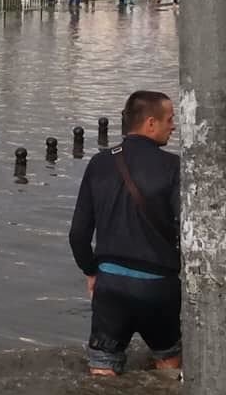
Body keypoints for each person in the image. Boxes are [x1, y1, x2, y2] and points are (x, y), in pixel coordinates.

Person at [69, 91, 180, 377]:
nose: (174, 126)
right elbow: (188, 231)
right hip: (159, 287)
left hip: (111, 286)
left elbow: (79, 234)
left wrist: (92, 271)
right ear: (151, 123)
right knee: (168, 367)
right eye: (170, 119)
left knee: (102, 374)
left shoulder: (99, 163)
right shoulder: (174, 168)